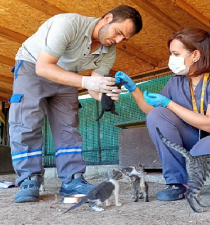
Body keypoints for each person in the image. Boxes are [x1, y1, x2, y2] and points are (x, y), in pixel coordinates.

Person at [9, 5, 142, 203]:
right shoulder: (68, 24)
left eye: (125, 38)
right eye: (119, 32)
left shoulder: (109, 51)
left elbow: (93, 89)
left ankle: (72, 180)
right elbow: (44, 67)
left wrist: (105, 95)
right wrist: (87, 81)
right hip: (32, 65)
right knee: (26, 123)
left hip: (67, 75)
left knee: (68, 127)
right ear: (107, 18)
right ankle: (29, 179)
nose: (119, 40)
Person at [115, 27, 210, 201]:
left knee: (202, 151)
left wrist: (169, 103)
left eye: (176, 54)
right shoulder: (177, 81)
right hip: (198, 140)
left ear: (196, 55)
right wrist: (133, 89)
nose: (171, 59)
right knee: (157, 116)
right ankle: (178, 183)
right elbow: (152, 111)